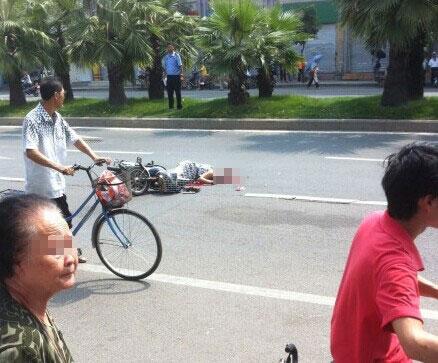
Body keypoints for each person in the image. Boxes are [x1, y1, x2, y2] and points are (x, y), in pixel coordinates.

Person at [331, 142, 438, 362]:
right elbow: (416, 343)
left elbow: (390, 280)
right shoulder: (394, 261)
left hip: (350, 350)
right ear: (428, 202)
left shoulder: (376, 222)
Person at [22, 77, 111, 263]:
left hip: (57, 181)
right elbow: (30, 151)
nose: (64, 96)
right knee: (57, 223)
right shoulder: (32, 120)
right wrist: (60, 167)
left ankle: (63, 252)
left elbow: (75, 138)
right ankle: (58, 255)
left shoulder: (57, 118)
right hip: (42, 184)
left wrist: (94, 156)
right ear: (55, 95)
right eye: (63, 93)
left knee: (61, 222)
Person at [0, 193, 76, 362]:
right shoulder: (15, 350)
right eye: (55, 250)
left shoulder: (32, 299)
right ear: (15, 260)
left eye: (68, 244)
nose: (70, 258)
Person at [162, 44, 183, 109]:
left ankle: (179, 107)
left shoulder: (176, 55)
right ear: (167, 49)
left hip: (176, 76)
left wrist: (181, 75)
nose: (169, 48)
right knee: (170, 93)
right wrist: (164, 76)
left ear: (173, 48)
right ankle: (171, 107)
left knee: (178, 92)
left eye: (170, 47)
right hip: (169, 77)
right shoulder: (165, 57)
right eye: (168, 47)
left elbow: (180, 66)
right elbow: (164, 67)